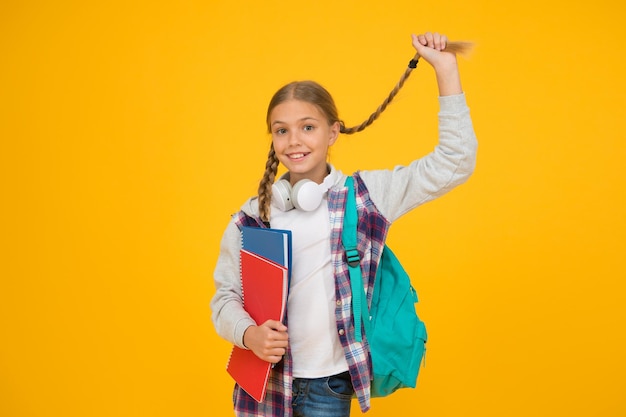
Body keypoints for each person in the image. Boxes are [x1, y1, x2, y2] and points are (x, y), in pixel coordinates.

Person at [211, 32, 478, 417]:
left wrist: (445, 70)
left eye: (308, 127)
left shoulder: (367, 197)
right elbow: (224, 300)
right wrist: (249, 334)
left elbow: (455, 162)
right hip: (265, 386)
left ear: (333, 132)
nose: (293, 141)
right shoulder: (253, 217)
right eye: (281, 130)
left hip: (330, 386)